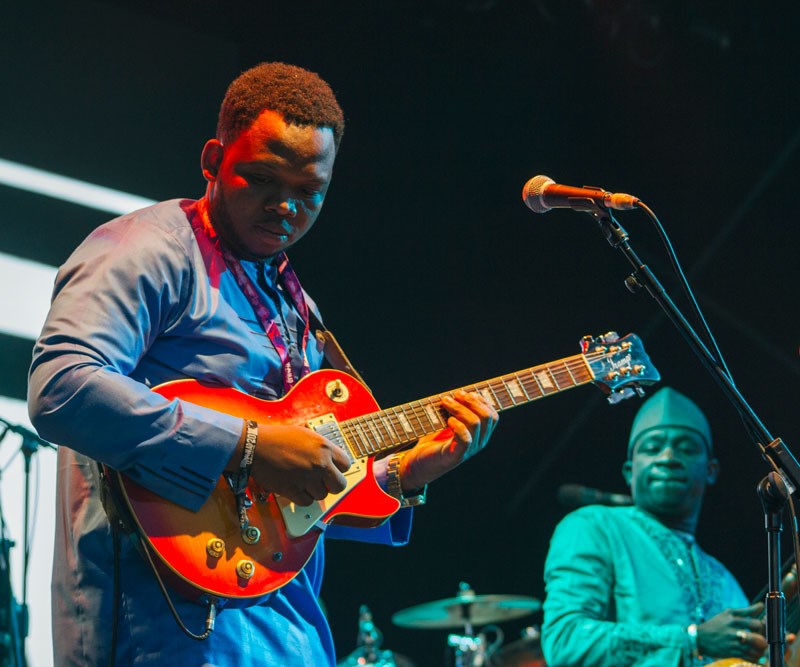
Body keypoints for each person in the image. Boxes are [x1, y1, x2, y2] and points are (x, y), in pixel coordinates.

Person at [27, 62, 498, 667]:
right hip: (165, 626)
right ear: (213, 159)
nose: (285, 208)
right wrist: (248, 446)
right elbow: (62, 388)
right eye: (261, 179)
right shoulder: (143, 251)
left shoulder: (297, 302)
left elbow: (287, 495)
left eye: (309, 193)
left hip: (289, 626)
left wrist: (402, 476)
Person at [540, 387, 768, 666]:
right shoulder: (594, 527)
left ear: (711, 470)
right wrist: (692, 639)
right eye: (652, 448)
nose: (668, 457)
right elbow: (566, 642)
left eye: (687, 448)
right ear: (630, 471)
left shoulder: (725, 581)